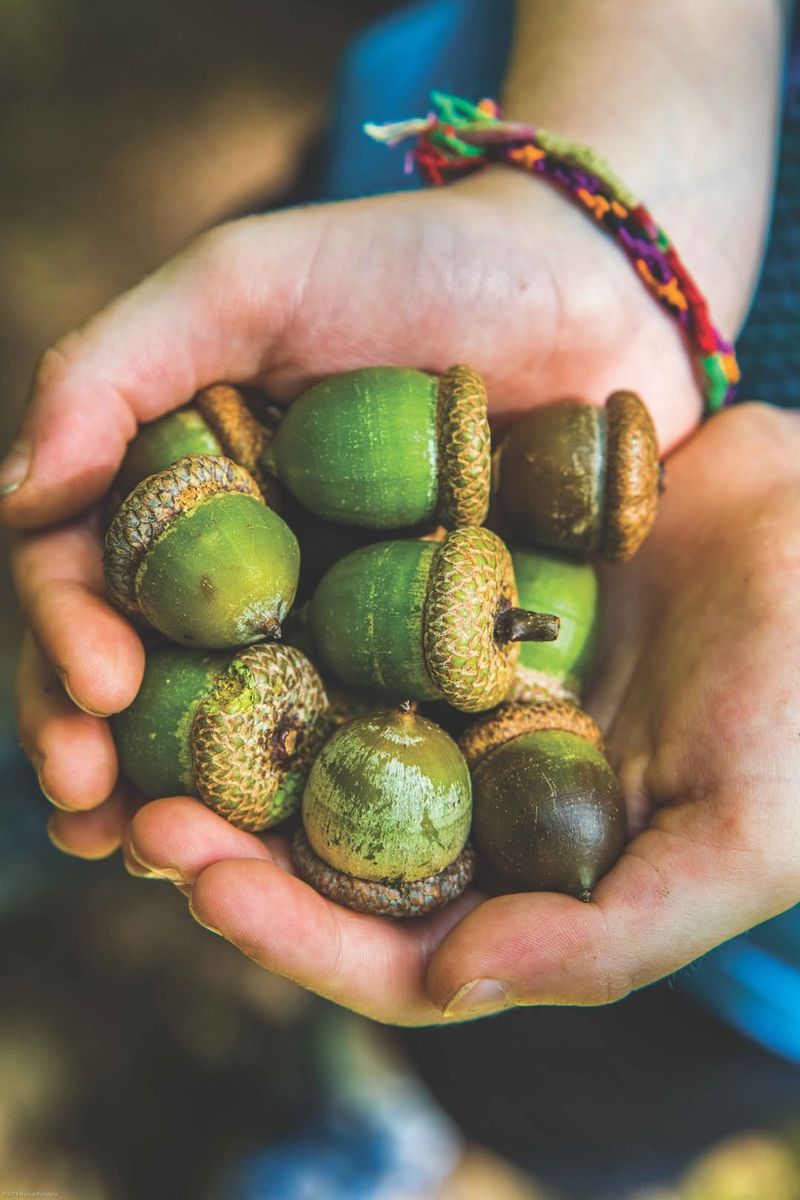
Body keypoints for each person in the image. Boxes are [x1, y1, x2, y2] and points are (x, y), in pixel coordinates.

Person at [5, 3, 799, 1184]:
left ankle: (373, 1111)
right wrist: (595, 207)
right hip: (546, 148)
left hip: (749, 988)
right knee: (70, 700)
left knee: (557, 1085)